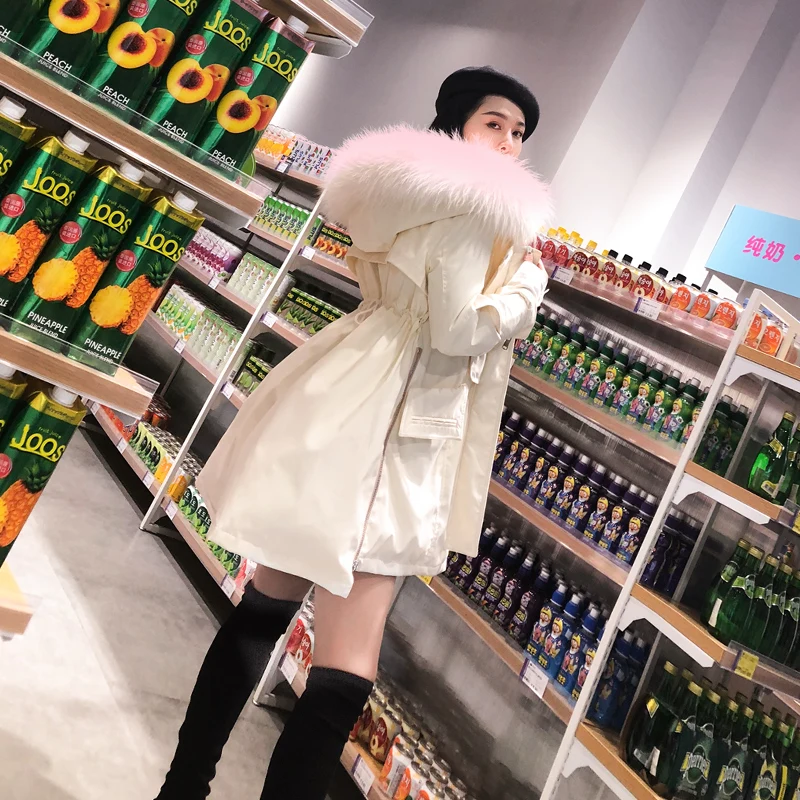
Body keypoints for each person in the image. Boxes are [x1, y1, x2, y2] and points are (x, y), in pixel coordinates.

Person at [155, 66, 551, 800]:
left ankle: (182, 787)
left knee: (264, 608)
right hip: (397, 425)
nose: (508, 143)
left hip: (342, 388)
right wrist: (527, 289)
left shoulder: (393, 192)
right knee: (348, 664)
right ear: (457, 124)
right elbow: (457, 330)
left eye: (519, 132)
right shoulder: (476, 208)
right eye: (494, 123)